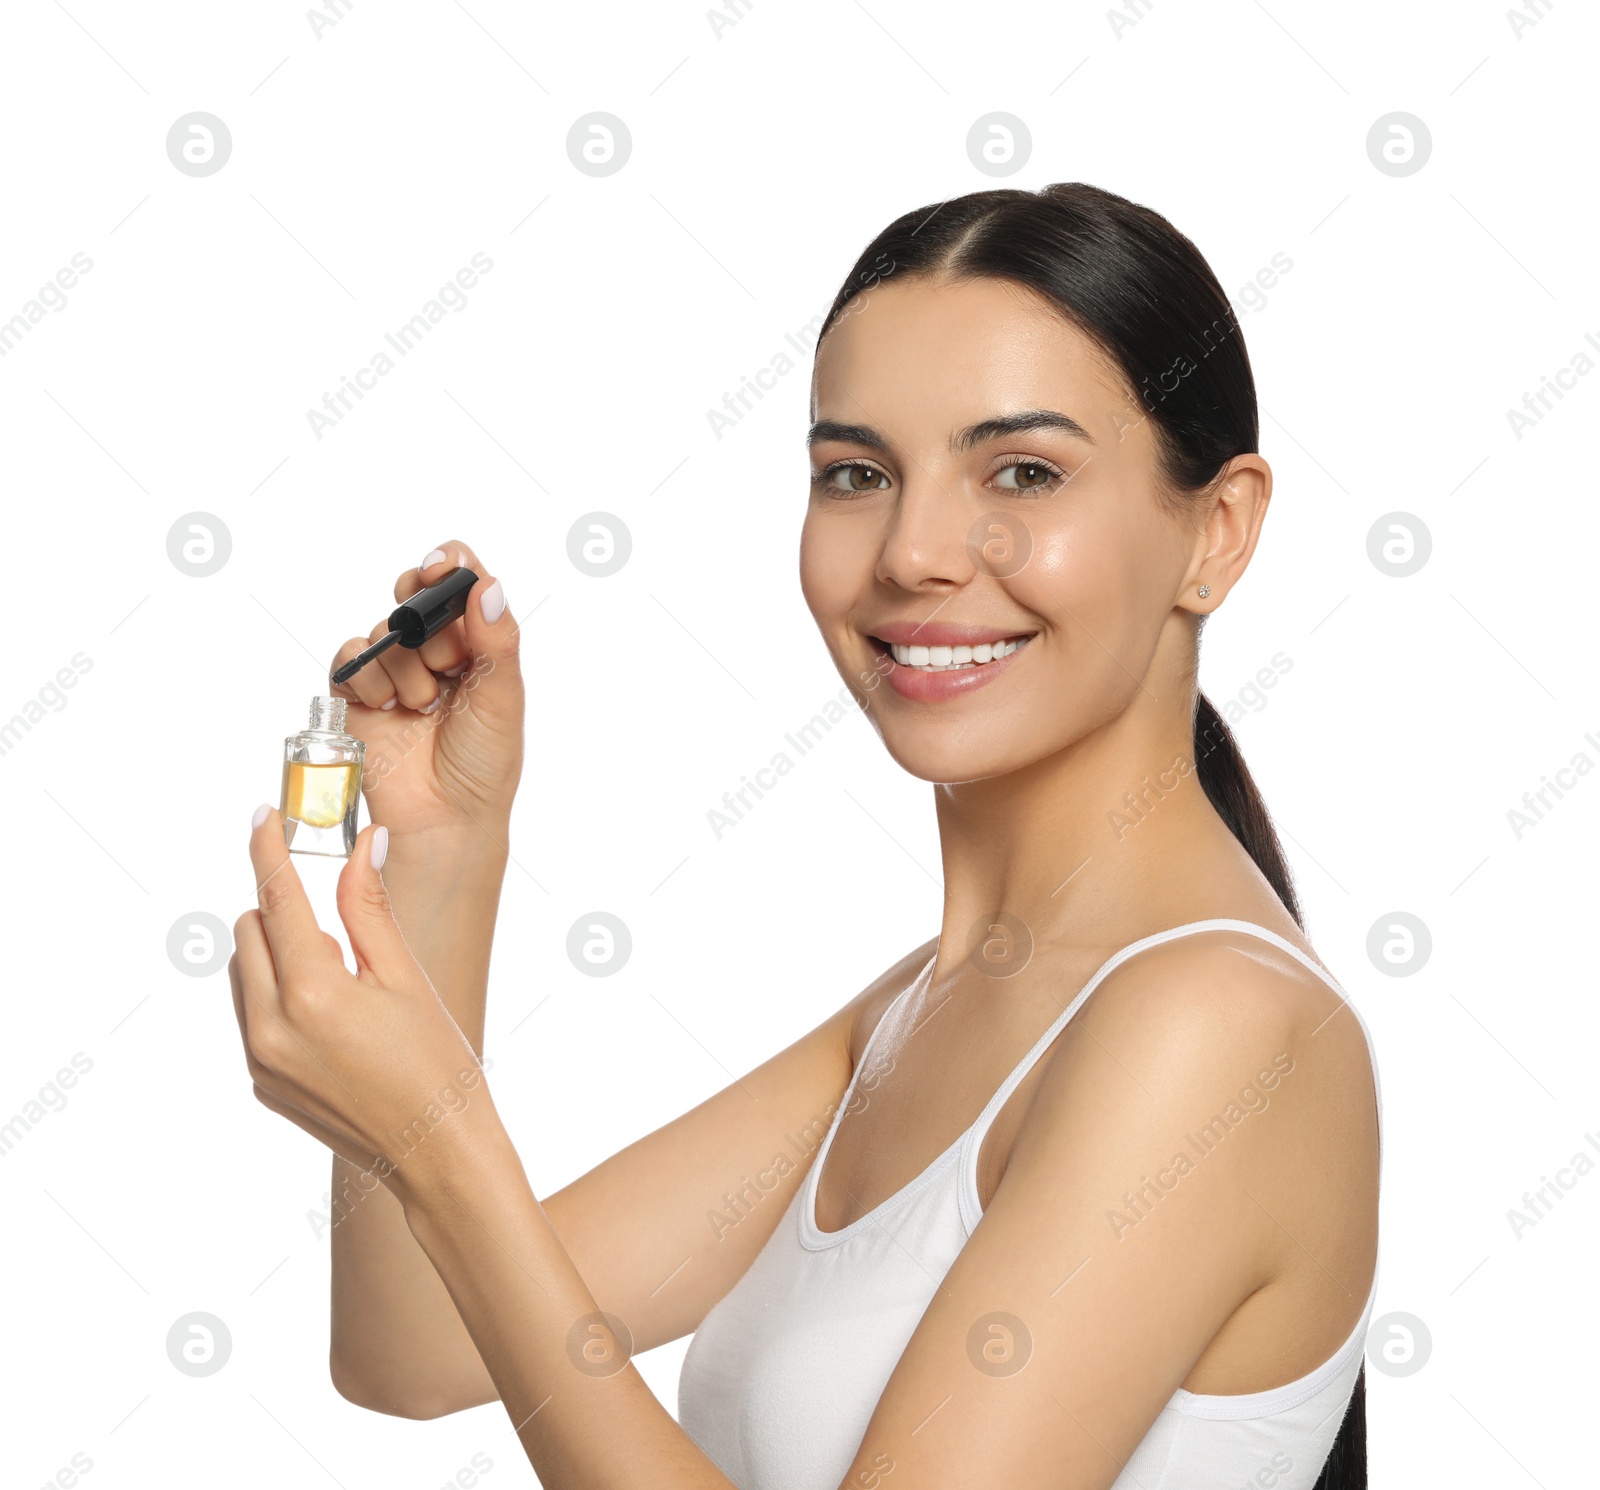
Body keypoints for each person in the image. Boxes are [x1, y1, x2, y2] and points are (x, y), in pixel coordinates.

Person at [230, 181, 1381, 1490]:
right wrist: (446, 848)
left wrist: (438, 1136)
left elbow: (458, 1244)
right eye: (858, 473)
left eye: (1023, 470)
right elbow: (416, 1344)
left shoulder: (1220, 1025)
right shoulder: (917, 1016)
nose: (914, 550)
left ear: (1215, 534)